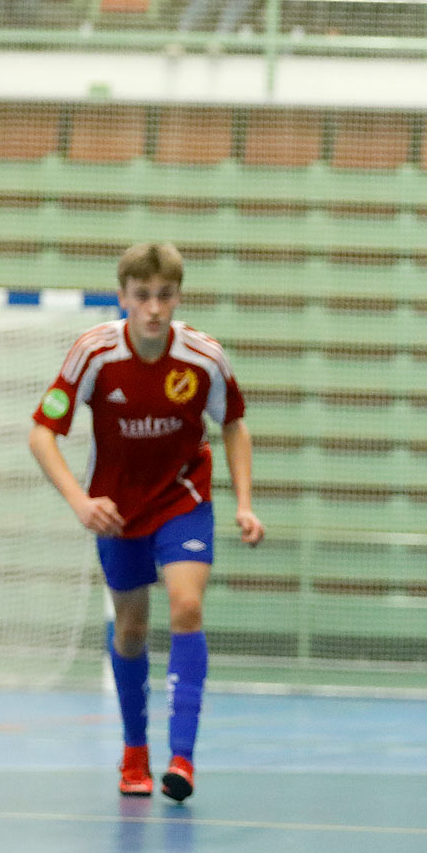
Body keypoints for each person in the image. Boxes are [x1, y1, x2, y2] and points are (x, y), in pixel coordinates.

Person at [29, 242, 264, 803]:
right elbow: (42, 434)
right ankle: (135, 750)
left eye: (165, 296)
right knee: (131, 628)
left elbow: (233, 424)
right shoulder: (94, 353)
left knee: (186, 605)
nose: (154, 308)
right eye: (142, 297)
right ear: (123, 298)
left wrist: (244, 502)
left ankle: (182, 758)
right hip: (117, 511)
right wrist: (80, 504)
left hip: (184, 499)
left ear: (178, 297)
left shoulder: (203, 356)